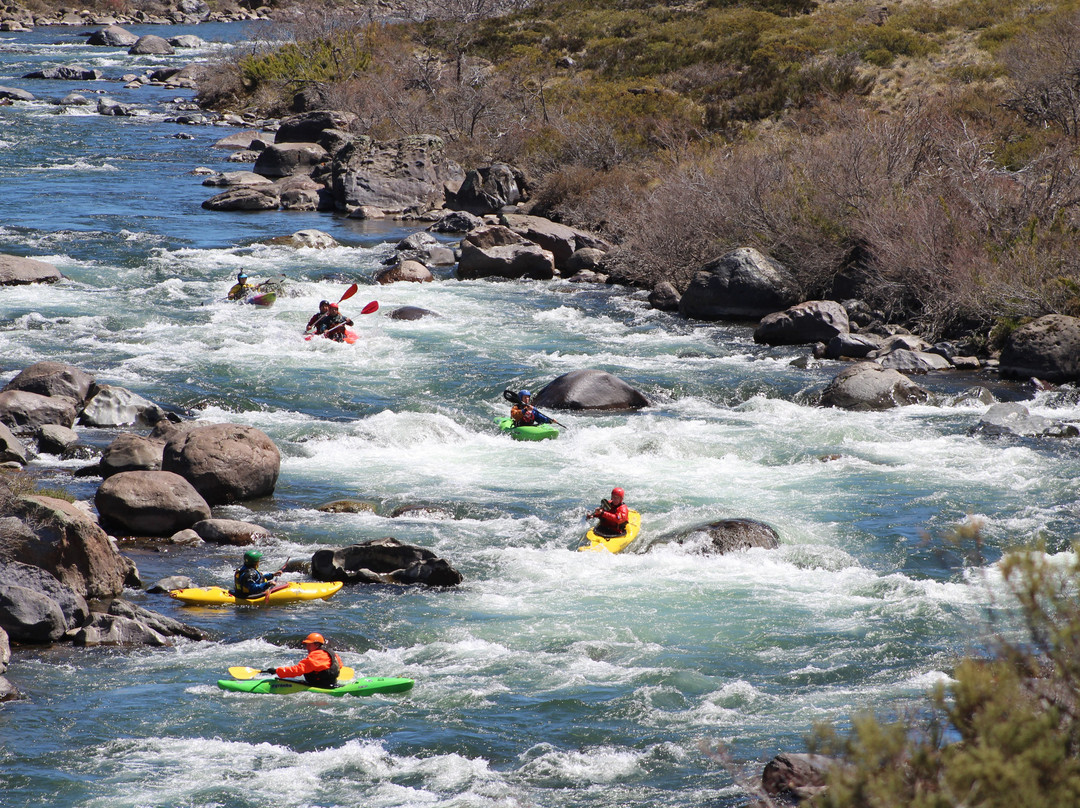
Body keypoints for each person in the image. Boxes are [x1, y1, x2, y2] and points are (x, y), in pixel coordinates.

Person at [264, 633, 343, 687]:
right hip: (332, 683)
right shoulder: (332, 653)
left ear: (317, 644)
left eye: (309, 645)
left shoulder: (316, 656)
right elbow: (340, 665)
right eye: (306, 645)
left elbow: (297, 670)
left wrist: (277, 671)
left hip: (319, 686)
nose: (307, 647)